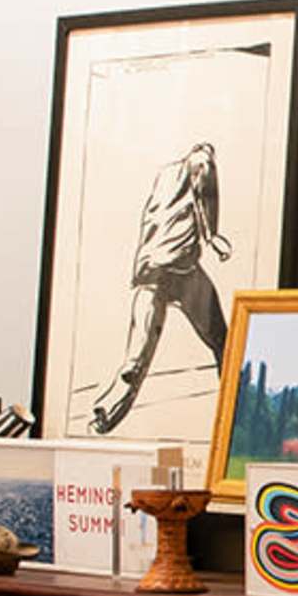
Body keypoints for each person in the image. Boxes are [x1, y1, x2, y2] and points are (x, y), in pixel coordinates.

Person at [90, 142, 229, 434]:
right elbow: (204, 188)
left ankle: (105, 415)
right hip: (181, 270)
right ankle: (239, 411)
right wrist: (212, 236)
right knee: (223, 342)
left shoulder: (166, 175)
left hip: (152, 269)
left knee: (137, 357)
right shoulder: (202, 162)